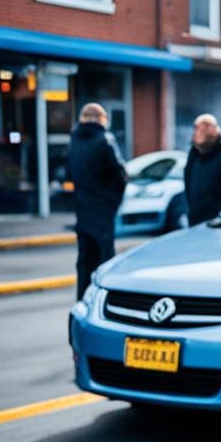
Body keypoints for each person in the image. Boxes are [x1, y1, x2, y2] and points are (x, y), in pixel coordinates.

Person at [67, 103, 126, 300]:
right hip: (103, 209)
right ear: (102, 119)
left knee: (84, 260)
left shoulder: (74, 140)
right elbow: (120, 173)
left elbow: (70, 172)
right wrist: (114, 201)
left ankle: (82, 300)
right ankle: (104, 302)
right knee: (105, 260)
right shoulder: (105, 139)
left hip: (82, 208)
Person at [183, 113, 221, 226]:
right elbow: (188, 183)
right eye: (196, 129)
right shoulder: (194, 155)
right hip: (194, 219)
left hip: (215, 223)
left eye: (200, 130)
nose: (195, 133)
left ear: (211, 133)